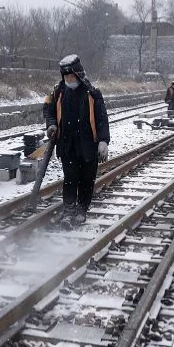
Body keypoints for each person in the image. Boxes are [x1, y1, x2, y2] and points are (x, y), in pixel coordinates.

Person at [43, 55, 110, 228]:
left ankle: (82, 209)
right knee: (70, 178)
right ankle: (68, 210)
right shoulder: (58, 91)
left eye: (71, 77)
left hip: (88, 145)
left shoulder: (93, 93)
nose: (68, 80)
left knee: (87, 180)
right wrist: (51, 125)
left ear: (79, 75)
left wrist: (103, 141)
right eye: (66, 77)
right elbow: (48, 110)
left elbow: (102, 118)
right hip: (67, 145)